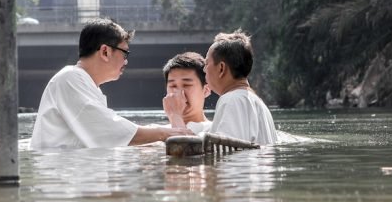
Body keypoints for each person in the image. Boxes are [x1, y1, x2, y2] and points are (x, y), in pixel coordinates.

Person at [30, 18, 191, 149]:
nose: (126, 61)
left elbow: (108, 132)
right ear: (105, 52)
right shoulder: (70, 78)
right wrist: (164, 133)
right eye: (125, 53)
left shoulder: (81, 82)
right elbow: (108, 130)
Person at [203, 30, 278, 145]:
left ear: (221, 68)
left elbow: (226, 152)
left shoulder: (231, 100)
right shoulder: (260, 104)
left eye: (207, 63)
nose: (204, 69)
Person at [162, 51, 212, 134]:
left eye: (186, 85)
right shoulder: (155, 130)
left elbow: (182, 146)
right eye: (173, 86)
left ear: (206, 90)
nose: (179, 92)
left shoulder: (215, 129)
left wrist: (175, 116)